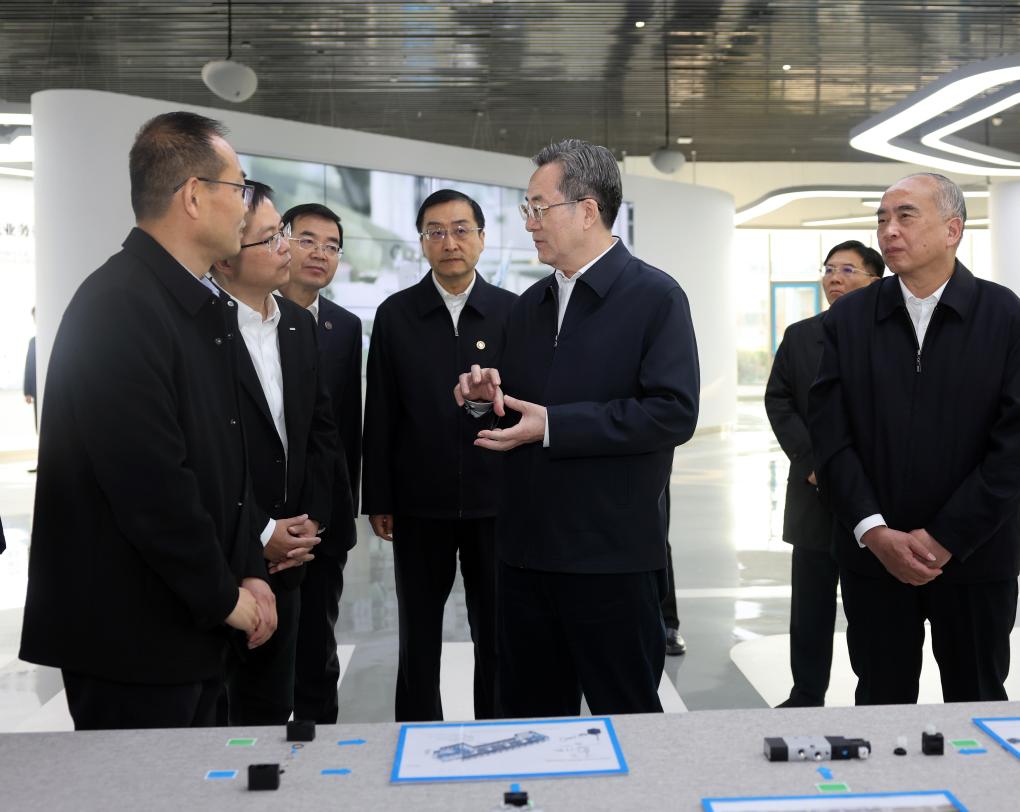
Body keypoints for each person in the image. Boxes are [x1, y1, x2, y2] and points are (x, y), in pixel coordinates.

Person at [19, 111, 276, 730]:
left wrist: (248, 566)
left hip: (192, 627)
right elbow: (151, 486)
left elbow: (226, 456)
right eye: (238, 188)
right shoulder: (118, 306)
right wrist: (226, 597)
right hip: (132, 639)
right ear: (194, 196)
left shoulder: (194, 304)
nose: (246, 207)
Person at [456, 139, 700, 717]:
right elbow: (514, 411)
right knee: (530, 724)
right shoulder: (529, 305)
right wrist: (480, 399)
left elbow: (673, 411)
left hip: (610, 561)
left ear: (587, 210)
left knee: (628, 722)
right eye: (527, 210)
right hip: (524, 556)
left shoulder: (655, 297)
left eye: (539, 208)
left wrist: (556, 426)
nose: (529, 224)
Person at [809, 172, 1020, 705]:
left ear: (953, 230)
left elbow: (1013, 447)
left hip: (975, 559)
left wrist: (945, 537)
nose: (889, 231)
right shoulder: (848, 320)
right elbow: (830, 435)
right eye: (882, 218)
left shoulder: (1005, 317)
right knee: (880, 703)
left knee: (977, 703)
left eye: (906, 216)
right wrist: (875, 531)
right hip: (873, 560)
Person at [363, 189, 516, 721]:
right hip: (418, 501)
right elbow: (379, 410)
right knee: (418, 633)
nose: (449, 242)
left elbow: (523, 409)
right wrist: (379, 495)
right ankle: (416, 735)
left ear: (480, 236)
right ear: (422, 241)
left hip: (494, 500)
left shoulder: (510, 313)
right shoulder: (396, 314)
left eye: (460, 229)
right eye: (435, 231)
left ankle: (496, 734)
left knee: (497, 633)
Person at [211, 182, 338, 725]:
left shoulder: (297, 325)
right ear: (225, 258)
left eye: (282, 235)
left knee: (271, 708)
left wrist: (305, 527)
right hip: (221, 558)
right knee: (215, 717)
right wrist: (260, 533)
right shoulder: (201, 330)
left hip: (291, 555)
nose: (287, 249)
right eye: (271, 239)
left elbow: (319, 436)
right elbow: (206, 457)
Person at [765, 240, 883, 707]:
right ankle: (806, 693)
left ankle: (872, 694)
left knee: (869, 608)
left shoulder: (889, 337)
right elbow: (779, 400)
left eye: (848, 270)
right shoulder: (800, 336)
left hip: (874, 500)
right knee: (810, 605)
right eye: (829, 269)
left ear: (877, 280)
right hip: (813, 496)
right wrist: (814, 463)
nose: (835, 278)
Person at [279, 202, 360, 724]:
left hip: (323, 522)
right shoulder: (240, 316)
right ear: (280, 242)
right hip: (261, 521)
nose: (320, 254)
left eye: (331, 246)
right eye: (307, 240)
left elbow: (345, 429)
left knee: (317, 649)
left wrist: (340, 510)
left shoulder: (343, 326)